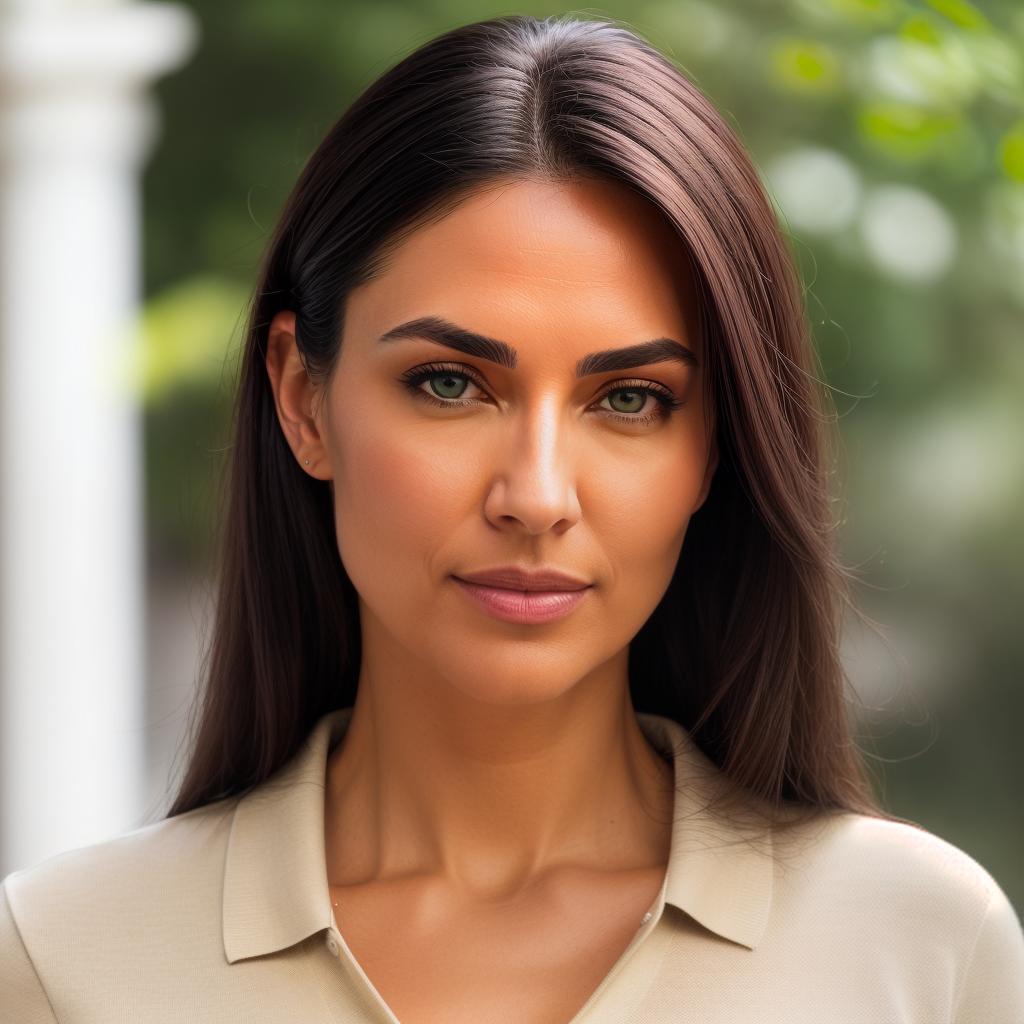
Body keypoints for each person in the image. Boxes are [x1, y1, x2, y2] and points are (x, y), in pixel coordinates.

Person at [3, 12, 1022, 1023]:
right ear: (302, 399)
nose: (535, 496)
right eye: (449, 384)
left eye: (629, 398)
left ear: (714, 445)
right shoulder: (66, 960)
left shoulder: (918, 947)